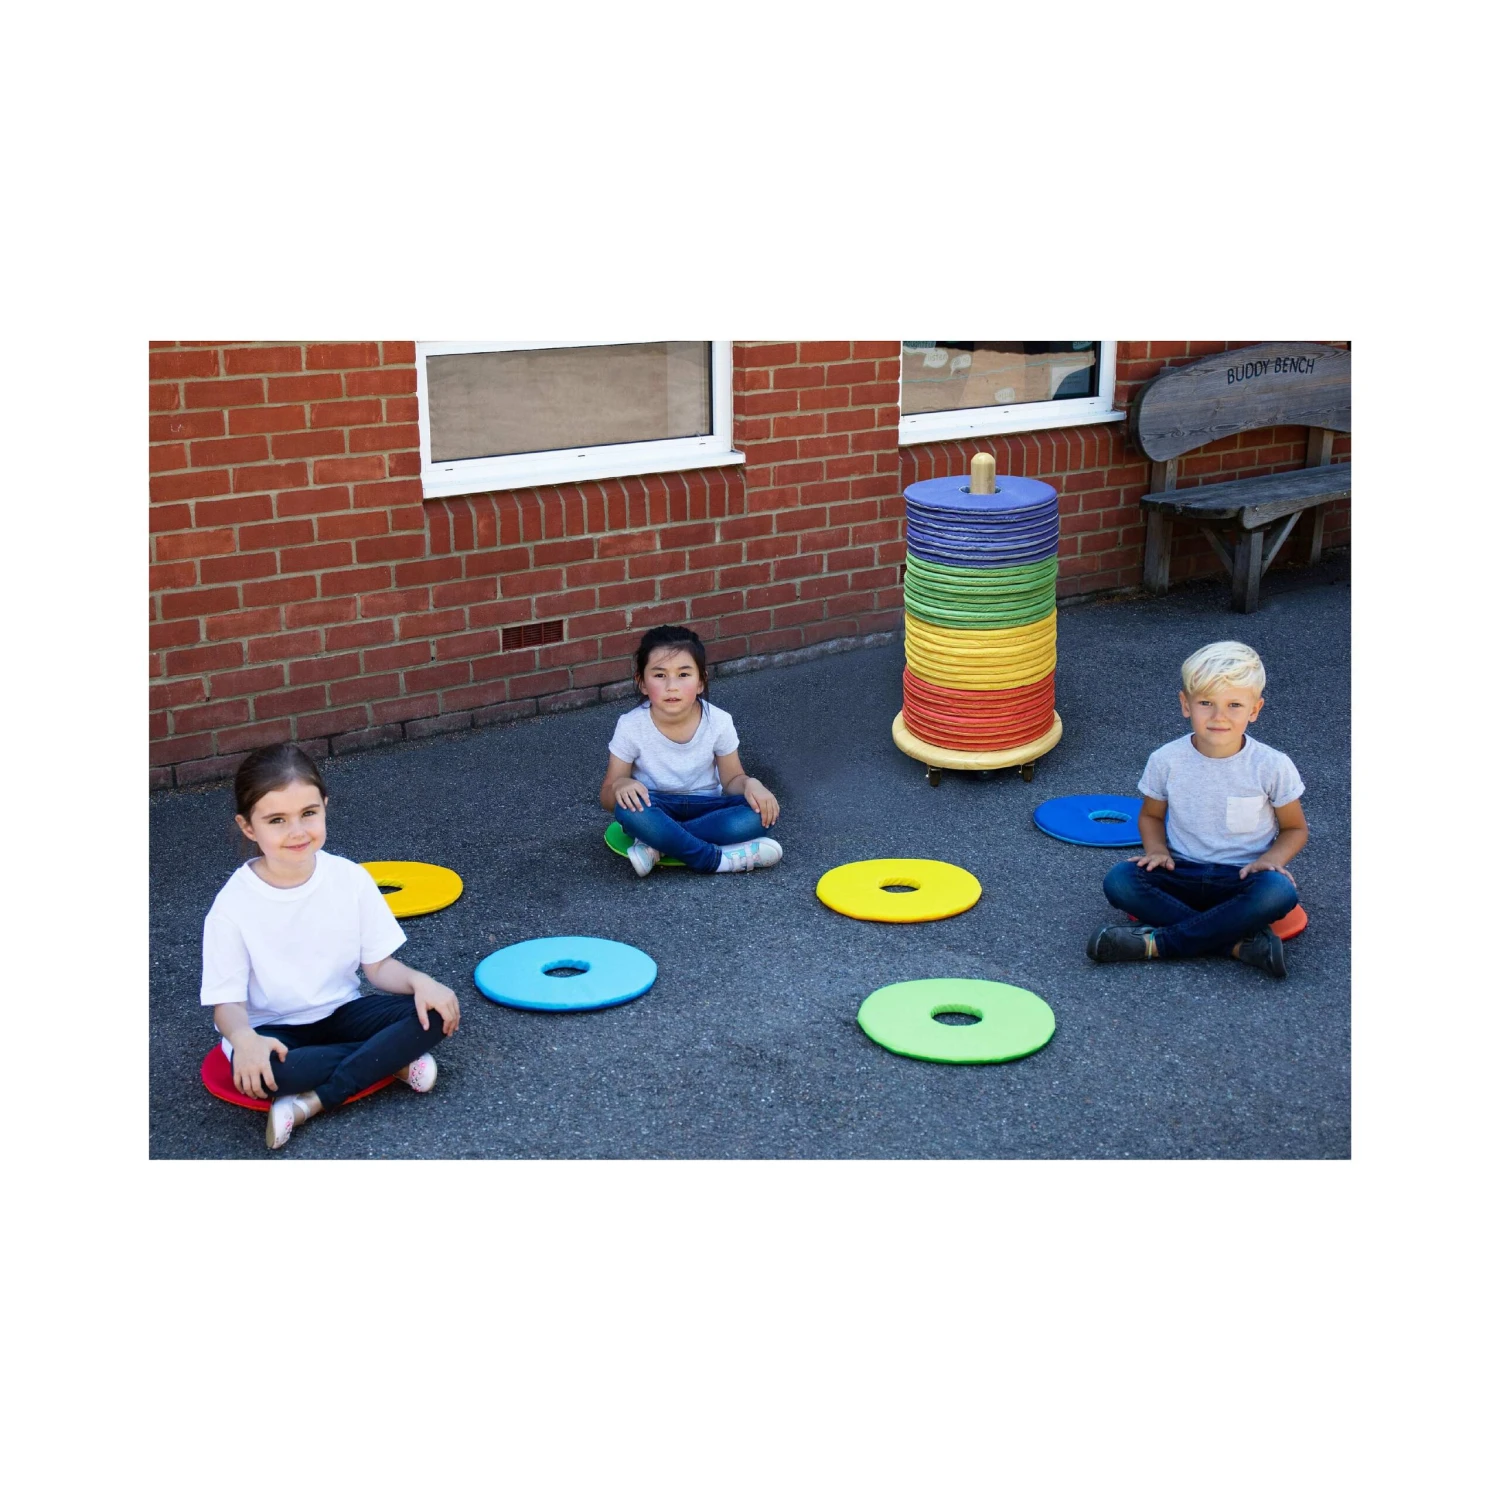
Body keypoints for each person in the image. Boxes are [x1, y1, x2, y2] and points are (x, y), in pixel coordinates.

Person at [201, 743, 461, 1150]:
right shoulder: (232, 906)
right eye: (276, 820)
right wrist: (245, 1041)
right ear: (249, 827)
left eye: (308, 813)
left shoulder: (350, 879)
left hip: (342, 1013)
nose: (297, 831)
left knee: (432, 1012)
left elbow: (378, 968)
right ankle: (388, 1059)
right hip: (274, 1032)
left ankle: (314, 1102)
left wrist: (419, 981)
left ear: (324, 805)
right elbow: (226, 1005)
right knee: (271, 1073)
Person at [1088, 640, 1307, 978]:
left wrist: (1272, 861)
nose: (1219, 716)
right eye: (1206, 703)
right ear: (1185, 705)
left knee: (1279, 892)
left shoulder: (1272, 765)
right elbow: (1150, 815)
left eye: (1234, 704)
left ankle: (1157, 943)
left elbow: (1294, 829)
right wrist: (1157, 850)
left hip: (1243, 878)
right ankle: (1234, 943)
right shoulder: (1166, 760)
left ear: (1255, 710)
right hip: (1180, 872)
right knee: (1120, 881)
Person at [600, 624, 783, 877]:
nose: (671, 686)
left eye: (684, 674)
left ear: (700, 682)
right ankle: (715, 860)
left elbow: (731, 780)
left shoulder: (719, 721)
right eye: (660, 675)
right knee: (626, 811)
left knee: (759, 815)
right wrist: (620, 786)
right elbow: (608, 797)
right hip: (656, 807)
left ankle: (659, 844)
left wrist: (752, 784)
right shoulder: (630, 726)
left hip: (708, 807)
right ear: (642, 683)